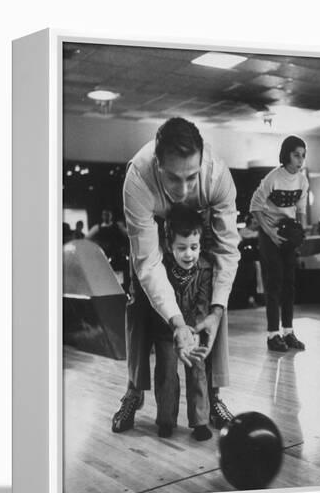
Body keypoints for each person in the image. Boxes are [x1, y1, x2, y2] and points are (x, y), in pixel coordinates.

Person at [112, 117, 240, 433]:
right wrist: (178, 323)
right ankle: (133, 391)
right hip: (157, 241)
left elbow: (227, 250)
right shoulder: (138, 179)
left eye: (191, 178)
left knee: (214, 305)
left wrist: (216, 310)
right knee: (138, 303)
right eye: (173, 179)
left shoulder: (218, 176)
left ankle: (214, 397)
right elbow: (148, 264)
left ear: (202, 163)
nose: (182, 191)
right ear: (158, 164)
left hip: (195, 236)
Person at [152, 205, 213, 441]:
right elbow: (158, 299)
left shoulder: (204, 270)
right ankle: (166, 420)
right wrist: (175, 327)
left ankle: (200, 421)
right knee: (166, 371)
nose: (189, 254)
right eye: (182, 248)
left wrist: (194, 331)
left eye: (194, 248)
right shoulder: (161, 268)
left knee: (197, 369)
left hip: (194, 330)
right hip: (167, 330)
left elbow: (203, 303)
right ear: (169, 247)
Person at [250, 135, 309, 352]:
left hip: (288, 233)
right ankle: (272, 335)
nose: (300, 160)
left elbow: (301, 211)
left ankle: (288, 332)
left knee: (289, 284)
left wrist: (299, 236)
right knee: (273, 283)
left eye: (303, 156)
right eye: (296, 155)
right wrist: (270, 232)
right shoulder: (272, 178)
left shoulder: (302, 181)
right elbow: (254, 207)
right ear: (286, 155)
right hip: (269, 233)